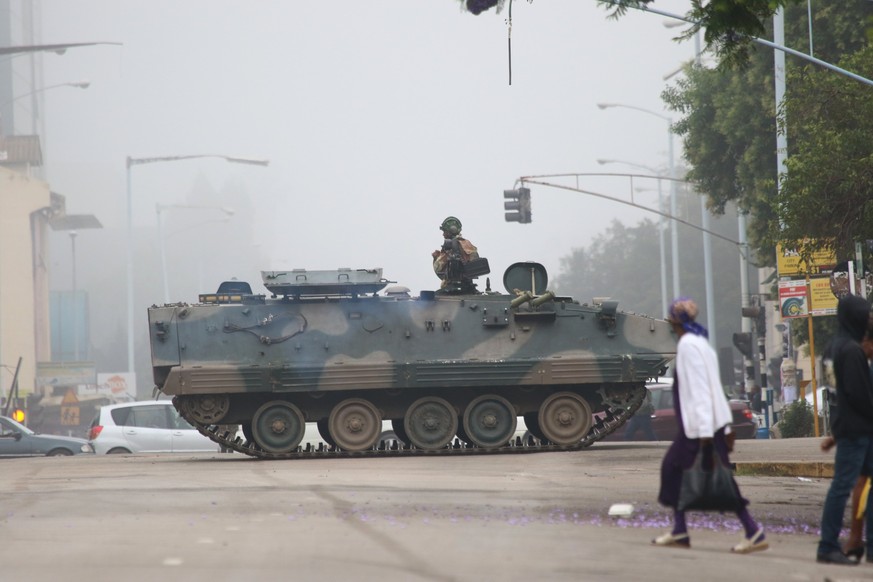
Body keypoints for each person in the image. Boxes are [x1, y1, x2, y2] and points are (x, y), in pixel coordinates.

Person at [653, 297, 768, 554]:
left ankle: (752, 531)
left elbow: (702, 390)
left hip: (700, 430)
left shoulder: (688, 347)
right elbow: (714, 386)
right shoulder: (700, 343)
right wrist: (725, 427)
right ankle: (680, 529)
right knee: (679, 472)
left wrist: (706, 433)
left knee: (689, 473)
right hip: (707, 426)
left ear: (675, 322)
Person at [817, 295, 873, 565]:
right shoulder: (851, 351)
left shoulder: (831, 349)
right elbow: (860, 395)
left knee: (863, 485)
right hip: (857, 431)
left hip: (846, 425)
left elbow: (835, 394)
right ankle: (828, 544)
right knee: (842, 487)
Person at [431, 216, 479, 292]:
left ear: (450, 231)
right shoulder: (468, 244)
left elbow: (439, 269)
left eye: (444, 232)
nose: (443, 234)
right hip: (468, 287)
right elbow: (476, 263)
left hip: (451, 287)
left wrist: (435, 257)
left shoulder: (449, 245)